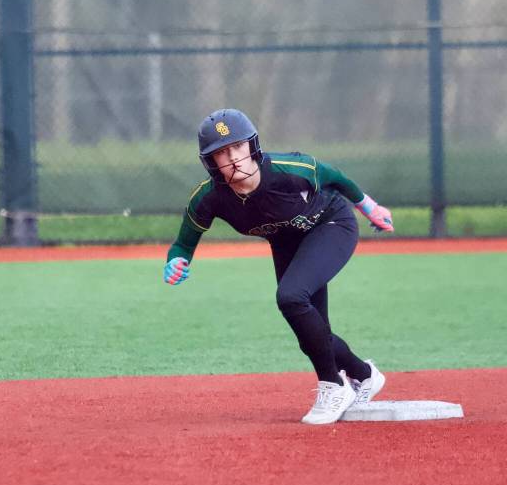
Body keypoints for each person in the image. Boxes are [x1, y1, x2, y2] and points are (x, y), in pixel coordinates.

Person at [164, 108, 395, 424]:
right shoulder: (209, 198)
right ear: (210, 162)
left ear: (252, 146)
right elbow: (184, 243)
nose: (232, 158)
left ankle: (334, 384)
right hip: (287, 240)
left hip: (330, 224)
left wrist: (369, 207)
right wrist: (176, 260)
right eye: (220, 152)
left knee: (290, 297)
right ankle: (363, 374)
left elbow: (336, 177)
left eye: (237, 146)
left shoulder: (290, 168)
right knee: (309, 333)